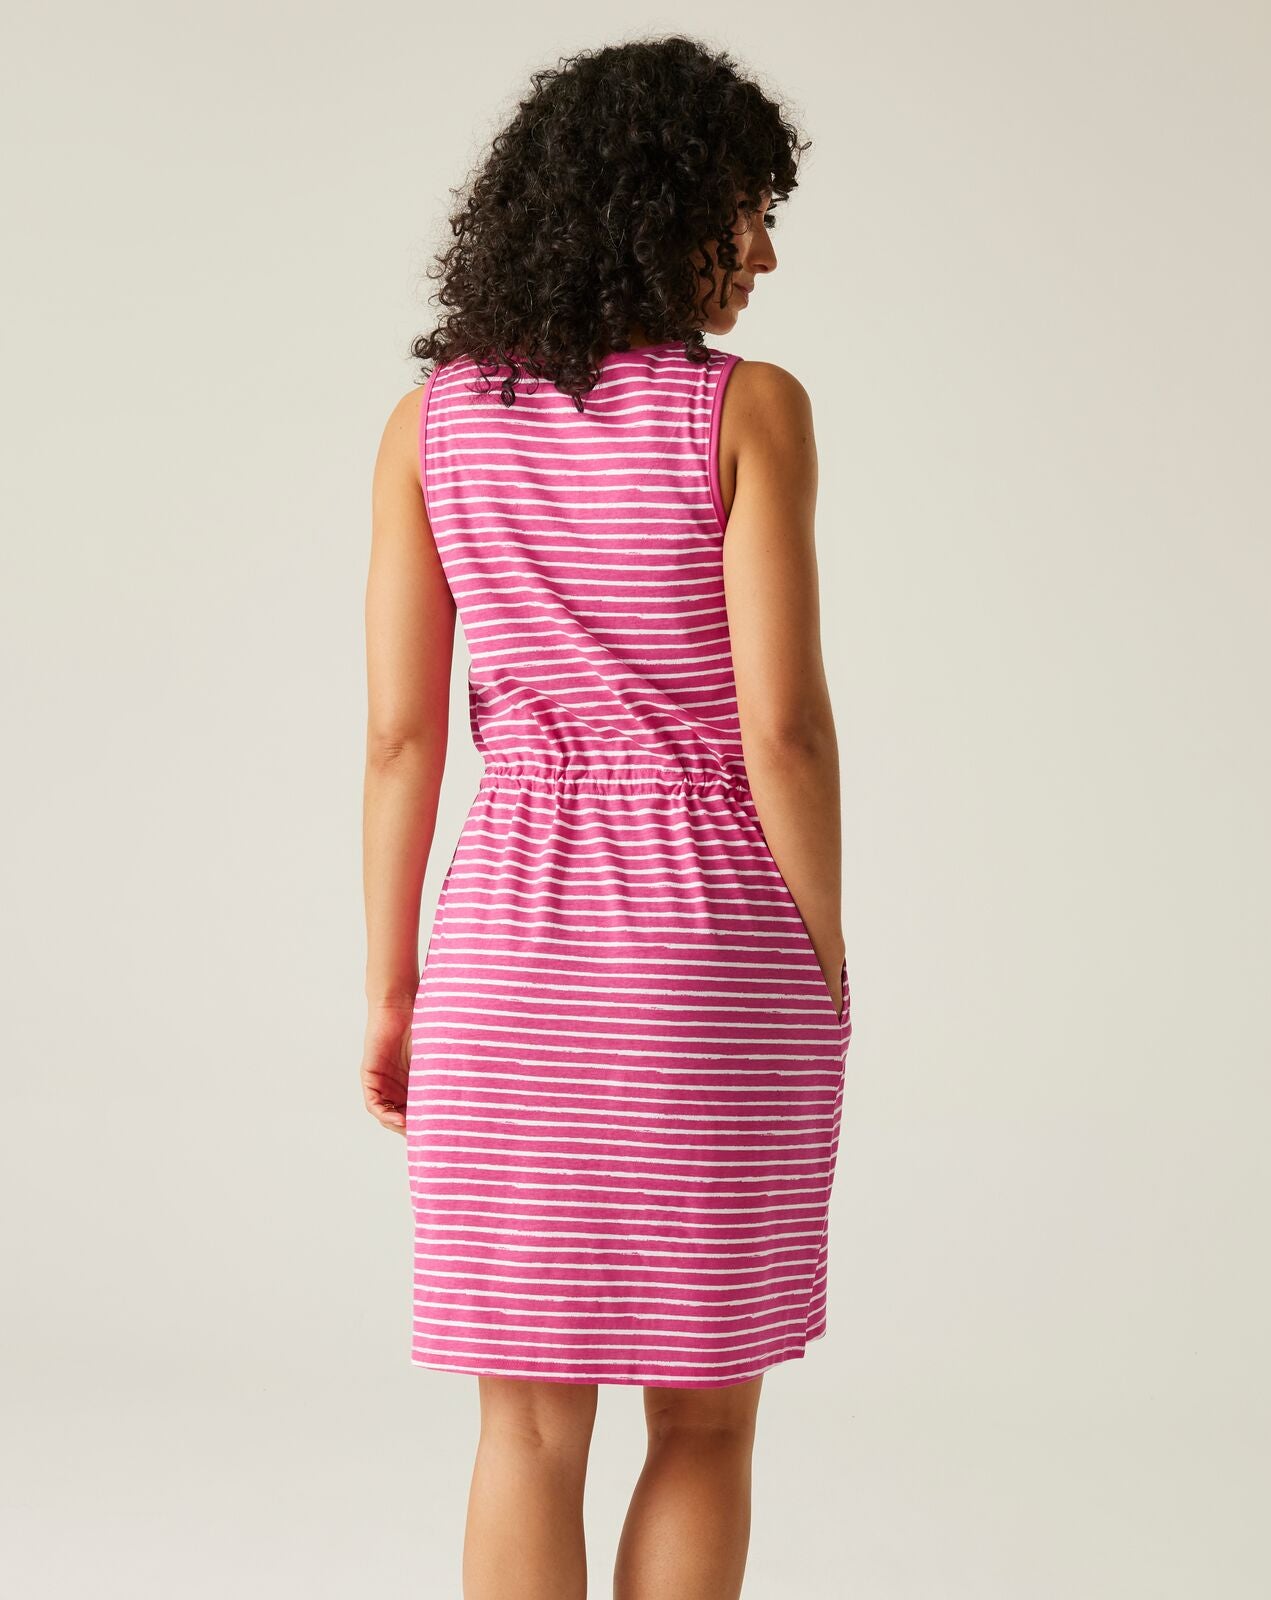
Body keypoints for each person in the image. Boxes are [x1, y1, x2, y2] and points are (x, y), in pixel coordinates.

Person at [360, 35, 850, 1600]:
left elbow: (401, 740)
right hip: (712, 947)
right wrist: (823, 951)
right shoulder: (749, 413)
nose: (764, 251)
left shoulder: (432, 426)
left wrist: (394, 987)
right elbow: (783, 730)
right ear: (656, 210)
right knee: (705, 1418)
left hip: (506, 947)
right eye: (743, 210)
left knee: (524, 1428)